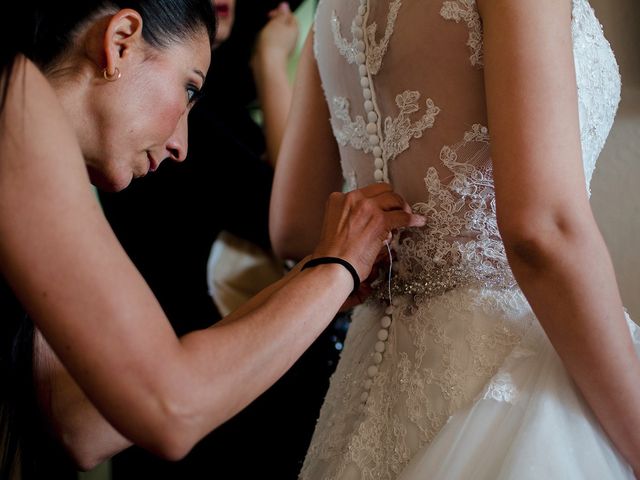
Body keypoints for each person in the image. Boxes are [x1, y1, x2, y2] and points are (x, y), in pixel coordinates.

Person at [0, 1, 425, 478]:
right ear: (119, 41)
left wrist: (314, 281)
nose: (182, 144)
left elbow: (84, 422)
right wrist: (336, 269)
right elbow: (170, 410)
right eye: (188, 88)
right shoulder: (14, 100)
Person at [270, 0, 640, 478]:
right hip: (504, 382)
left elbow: (294, 229)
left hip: (366, 389)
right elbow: (541, 232)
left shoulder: (330, 7)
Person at [98, 1, 348, 478]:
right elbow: (297, 224)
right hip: (211, 427)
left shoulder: (213, 111)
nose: (179, 143)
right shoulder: (169, 117)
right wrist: (272, 63)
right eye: (188, 89)